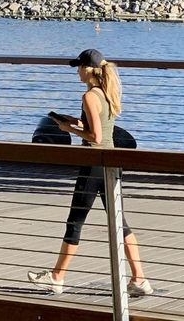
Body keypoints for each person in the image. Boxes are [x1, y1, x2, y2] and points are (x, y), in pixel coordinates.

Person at [28, 49, 153, 298]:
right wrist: (72, 121)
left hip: (93, 163)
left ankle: (56, 278)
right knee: (120, 222)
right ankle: (140, 279)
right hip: (110, 162)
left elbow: (94, 137)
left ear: (88, 69)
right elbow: (100, 128)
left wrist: (68, 129)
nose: (77, 71)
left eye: (79, 67)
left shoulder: (88, 96)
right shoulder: (106, 93)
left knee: (75, 222)